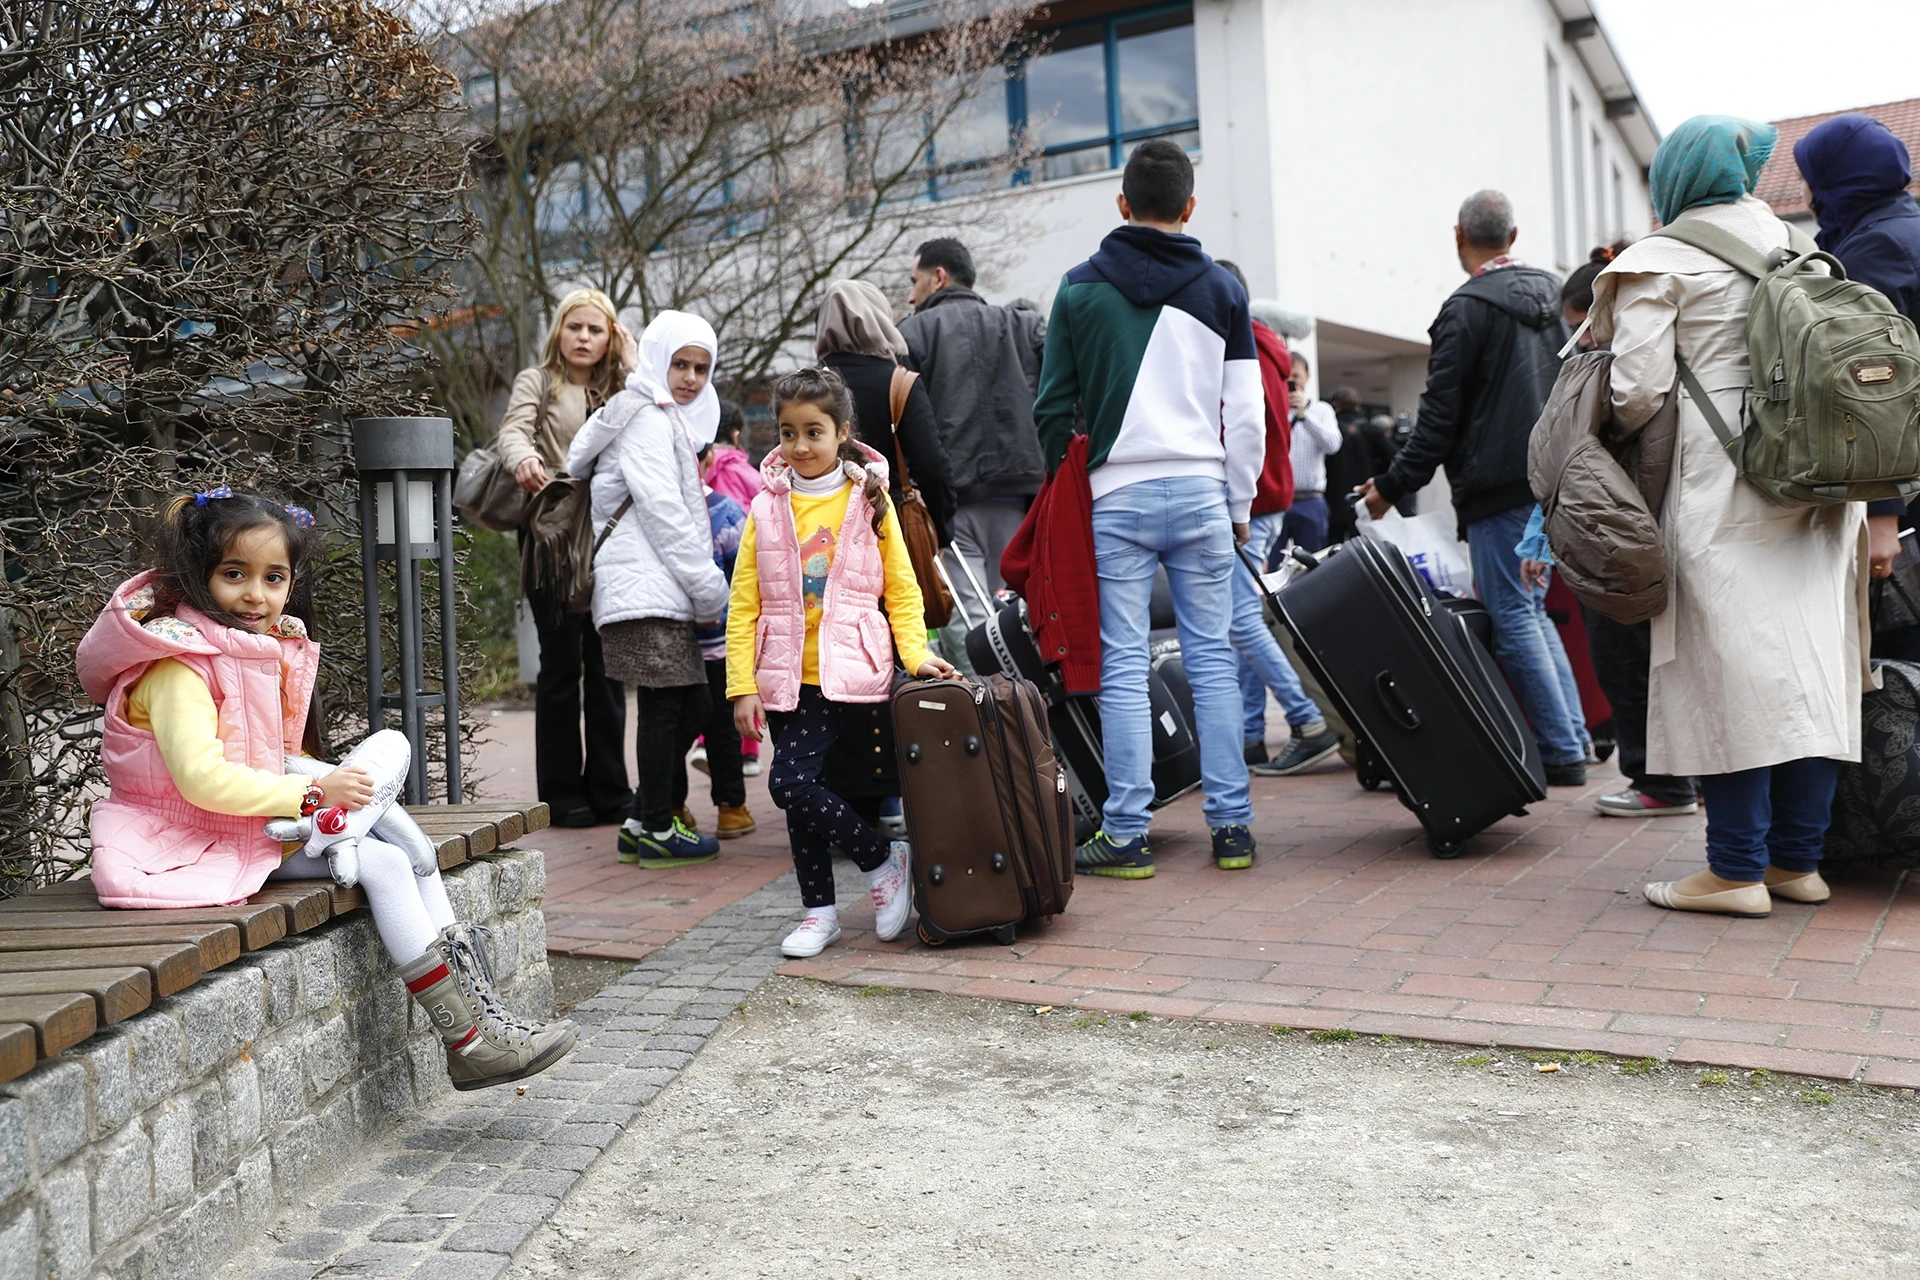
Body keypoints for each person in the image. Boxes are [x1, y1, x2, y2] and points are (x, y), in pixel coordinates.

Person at [75, 491, 575, 1089]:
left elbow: (272, 760)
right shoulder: (178, 667)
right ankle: (469, 1040)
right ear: (197, 575)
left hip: (248, 828)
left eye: (274, 577)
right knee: (390, 861)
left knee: (395, 780)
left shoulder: (249, 652)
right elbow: (202, 781)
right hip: (185, 844)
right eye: (234, 574)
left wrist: (320, 784)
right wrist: (315, 797)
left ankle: (477, 1022)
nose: (255, 594)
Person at [1596, 116, 1865, 918]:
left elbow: (1635, 391)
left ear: (1675, 174)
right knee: (1810, 674)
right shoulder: (1801, 246)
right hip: (1821, 490)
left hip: (1723, 489)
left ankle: (1733, 871)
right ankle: (1797, 864)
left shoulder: (1660, 260)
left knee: (1728, 675)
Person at [1033, 138, 1264, 877]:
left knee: (1126, 664)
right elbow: (1247, 415)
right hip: (1202, 491)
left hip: (1117, 495)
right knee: (1213, 659)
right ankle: (1232, 829)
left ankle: (1127, 834)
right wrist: (1239, 502)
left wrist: (1064, 481)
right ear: (1190, 207)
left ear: (1122, 203)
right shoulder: (1222, 289)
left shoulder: (1077, 288)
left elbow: (1051, 408)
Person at [1356, 189, 1589, 786]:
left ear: (1459, 236)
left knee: (1513, 615)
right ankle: (1574, 739)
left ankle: (1563, 751)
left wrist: (1391, 485)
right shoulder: (1560, 297)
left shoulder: (1465, 309)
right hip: (1555, 481)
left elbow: (1439, 418)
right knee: (1531, 611)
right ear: (1514, 236)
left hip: (1498, 485)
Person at [726, 368, 958, 958]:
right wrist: (741, 685)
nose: (801, 446)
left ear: (842, 432)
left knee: (790, 783)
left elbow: (901, 587)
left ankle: (881, 859)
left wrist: (916, 654)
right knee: (803, 796)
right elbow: (743, 602)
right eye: (788, 433)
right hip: (783, 673)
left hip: (847, 667)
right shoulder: (765, 506)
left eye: (814, 432)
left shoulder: (868, 500)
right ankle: (820, 913)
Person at [1524, 248, 1699, 819]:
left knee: (1623, 657)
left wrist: (1540, 539)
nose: (1578, 339)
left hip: (1619, 534)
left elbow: (1568, 461)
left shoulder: (1613, 371)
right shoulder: (1670, 353)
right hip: (1666, 523)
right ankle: (1683, 777)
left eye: (1580, 325)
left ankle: (1660, 782)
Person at [567, 311, 732, 868]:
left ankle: (642, 819)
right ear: (660, 361)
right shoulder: (647, 420)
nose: (690, 378)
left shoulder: (656, 415)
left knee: (692, 704)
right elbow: (666, 514)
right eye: (680, 364)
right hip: (646, 588)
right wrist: (709, 589)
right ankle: (658, 827)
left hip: (651, 587)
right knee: (670, 708)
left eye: (701, 368)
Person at [491, 288, 634, 828]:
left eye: (596, 329)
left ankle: (611, 790)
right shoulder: (539, 380)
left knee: (607, 666)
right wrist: (523, 458)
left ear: (610, 337)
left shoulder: (621, 387)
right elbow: (512, 432)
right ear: (559, 330)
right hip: (551, 537)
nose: (584, 338)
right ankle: (562, 794)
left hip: (612, 536)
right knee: (559, 668)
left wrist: (632, 361)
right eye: (575, 326)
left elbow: (660, 414)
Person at [1795, 113, 1920, 655]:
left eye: (1808, 179)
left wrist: (1884, 514)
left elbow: (1875, 384)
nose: (1804, 192)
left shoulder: (1874, 250)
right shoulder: (1904, 229)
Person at [1214, 260, 1340, 775]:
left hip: (1254, 500)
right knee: (1243, 619)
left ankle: (1308, 721)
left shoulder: (1242, 344)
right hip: (1265, 498)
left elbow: (1246, 428)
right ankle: (1251, 734)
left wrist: (1237, 504)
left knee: (1242, 619)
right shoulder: (1262, 344)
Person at [900, 237, 1047, 637]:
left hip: (954, 502)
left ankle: (989, 681)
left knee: (974, 624)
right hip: (1021, 495)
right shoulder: (1024, 326)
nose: (911, 296)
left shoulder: (909, 336)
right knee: (1024, 613)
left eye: (914, 281)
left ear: (938, 277)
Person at [815, 278, 957, 550]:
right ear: (879, 319)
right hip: (889, 530)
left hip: (820, 528)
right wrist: (940, 528)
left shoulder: (805, 388)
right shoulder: (900, 384)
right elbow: (932, 466)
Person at [689, 460, 756, 838]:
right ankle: (731, 809)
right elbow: (744, 575)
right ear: (708, 458)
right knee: (722, 727)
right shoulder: (725, 511)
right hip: (720, 641)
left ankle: (671, 807)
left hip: (672, 642)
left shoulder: (653, 506)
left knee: (668, 727)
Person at [701, 400, 764, 776]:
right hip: (742, 566)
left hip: (707, 577)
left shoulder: (700, 468)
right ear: (737, 434)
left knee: (712, 666)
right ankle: (750, 749)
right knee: (744, 663)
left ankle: (703, 740)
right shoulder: (747, 472)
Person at [1280, 352, 1342, 554]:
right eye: (1286, 376)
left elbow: (1333, 445)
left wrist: (1305, 416)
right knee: (1270, 563)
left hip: (1310, 499)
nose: (1291, 381)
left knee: (1312, 561)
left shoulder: (1322, 410)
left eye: (1296, 375)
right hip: (1278, 500)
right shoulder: (1272, 409)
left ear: (1307, 376)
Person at [1323, 388, 1398, 544]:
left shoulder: (1329, 432)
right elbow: (1394, 455)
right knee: (1364, 546)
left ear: (1335, 406)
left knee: (1333, 547)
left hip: (1333, 501)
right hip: (1364, 499)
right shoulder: (1371, 430)